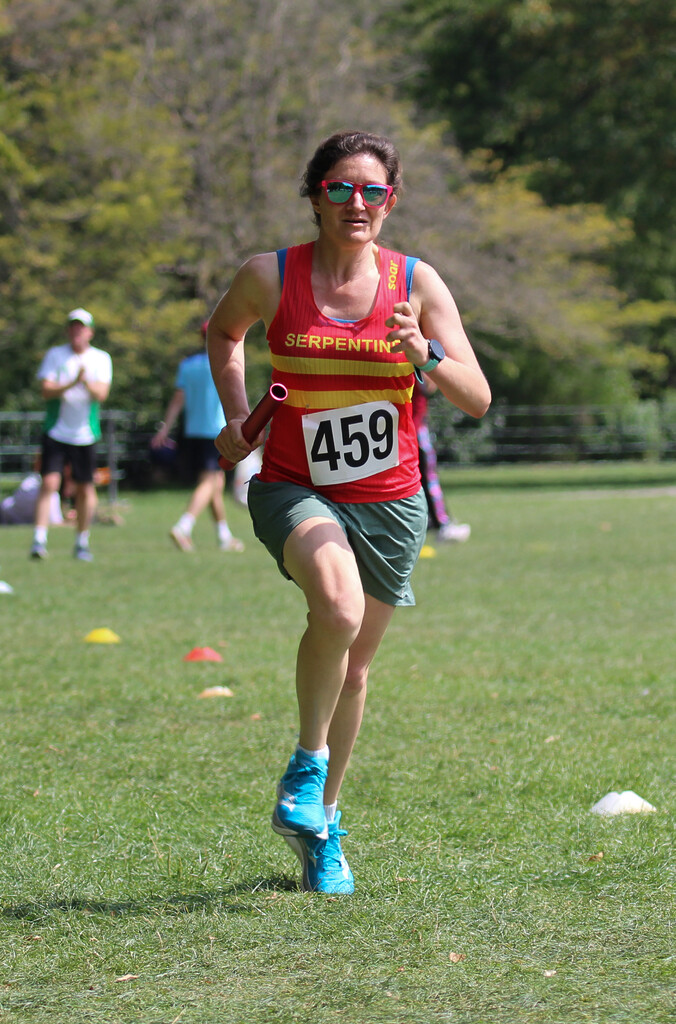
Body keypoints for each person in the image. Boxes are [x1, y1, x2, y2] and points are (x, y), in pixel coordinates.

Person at [207, 130, 491, 894]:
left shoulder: (416, 284)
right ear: (314, 196)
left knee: (356, 669)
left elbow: (477, 394)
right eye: (339, 188)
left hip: (392, 502)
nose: (356, 203)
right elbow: (223, 332)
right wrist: (236, 418)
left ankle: (322, 826)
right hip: (297, 485)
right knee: (333, 608)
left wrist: (422, 354)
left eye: (372, 191)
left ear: (391, 201)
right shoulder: (270, 277)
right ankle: (307, 764)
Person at [151, 322, 244, 553]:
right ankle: (184, 525)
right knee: (210, 482)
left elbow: (177, 400)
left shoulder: (187, 365)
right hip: (216, 431)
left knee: (216, 484)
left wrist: (165, 428)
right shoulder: (225, 363)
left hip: (193, 432)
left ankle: (224, 537)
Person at [30, 308, 112, 561]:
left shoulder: (100, 358)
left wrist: (84, 381)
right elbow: (46, 390)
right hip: (56, 431)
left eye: (81, 327)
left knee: (85, 488)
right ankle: (39, 540)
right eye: (73, 326)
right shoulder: (56, 355)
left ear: (90, 331)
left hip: (85, 434)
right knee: (49, 483)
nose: (76, 331)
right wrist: (71, 382)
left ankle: (81, 542)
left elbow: (101, 394)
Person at [412, 375, 471, 542]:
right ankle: (442, 524)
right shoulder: (411, 366)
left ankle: (434, 522)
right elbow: (429, 385)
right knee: (429, 479)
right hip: (414, 429)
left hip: (411, 428)